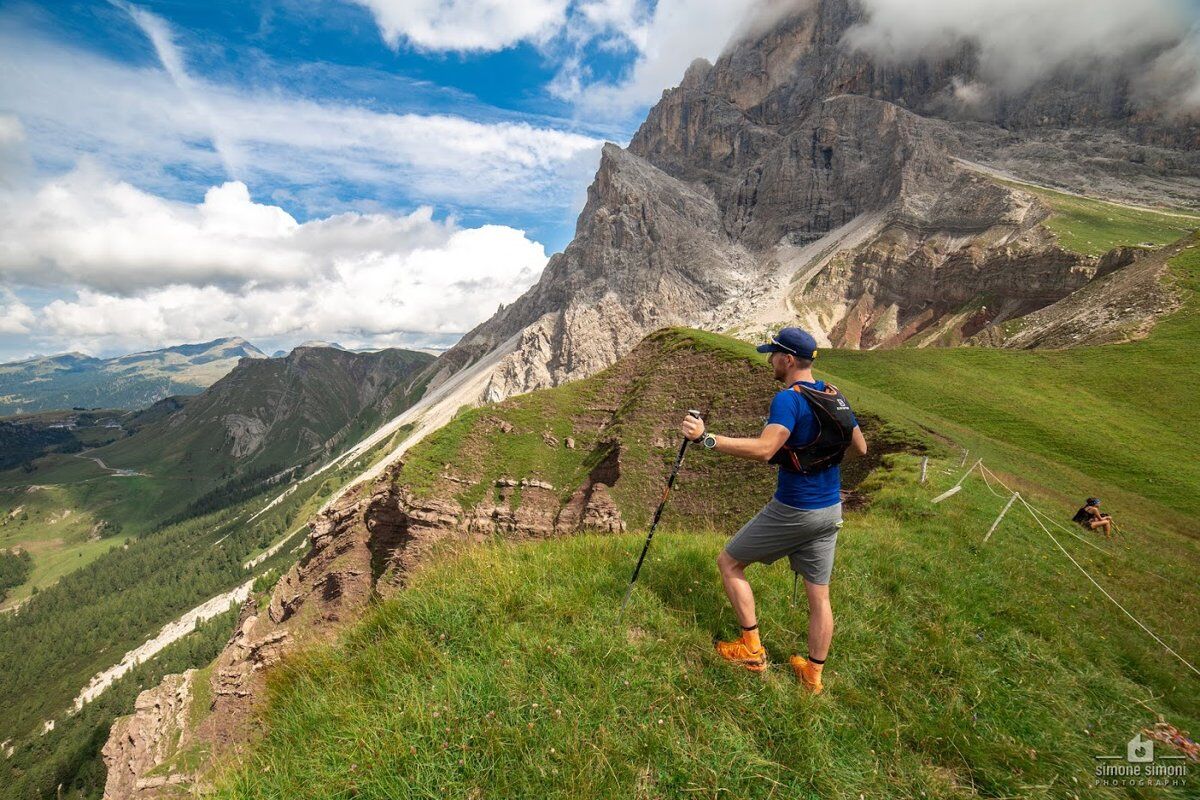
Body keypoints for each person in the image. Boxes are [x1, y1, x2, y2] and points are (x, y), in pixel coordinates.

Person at [680, 327, 867, 694]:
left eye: (773, 355)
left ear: (788, 359)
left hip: (796, 508)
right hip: (830, 509)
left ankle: (751, 650)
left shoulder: (789, 399)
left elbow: (766, 449)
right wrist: (815, 452)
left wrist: (707, 439)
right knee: (820, 596)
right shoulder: (834, 394)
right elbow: (859, 446)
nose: (770, 361)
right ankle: (812, 677)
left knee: (729, 563)